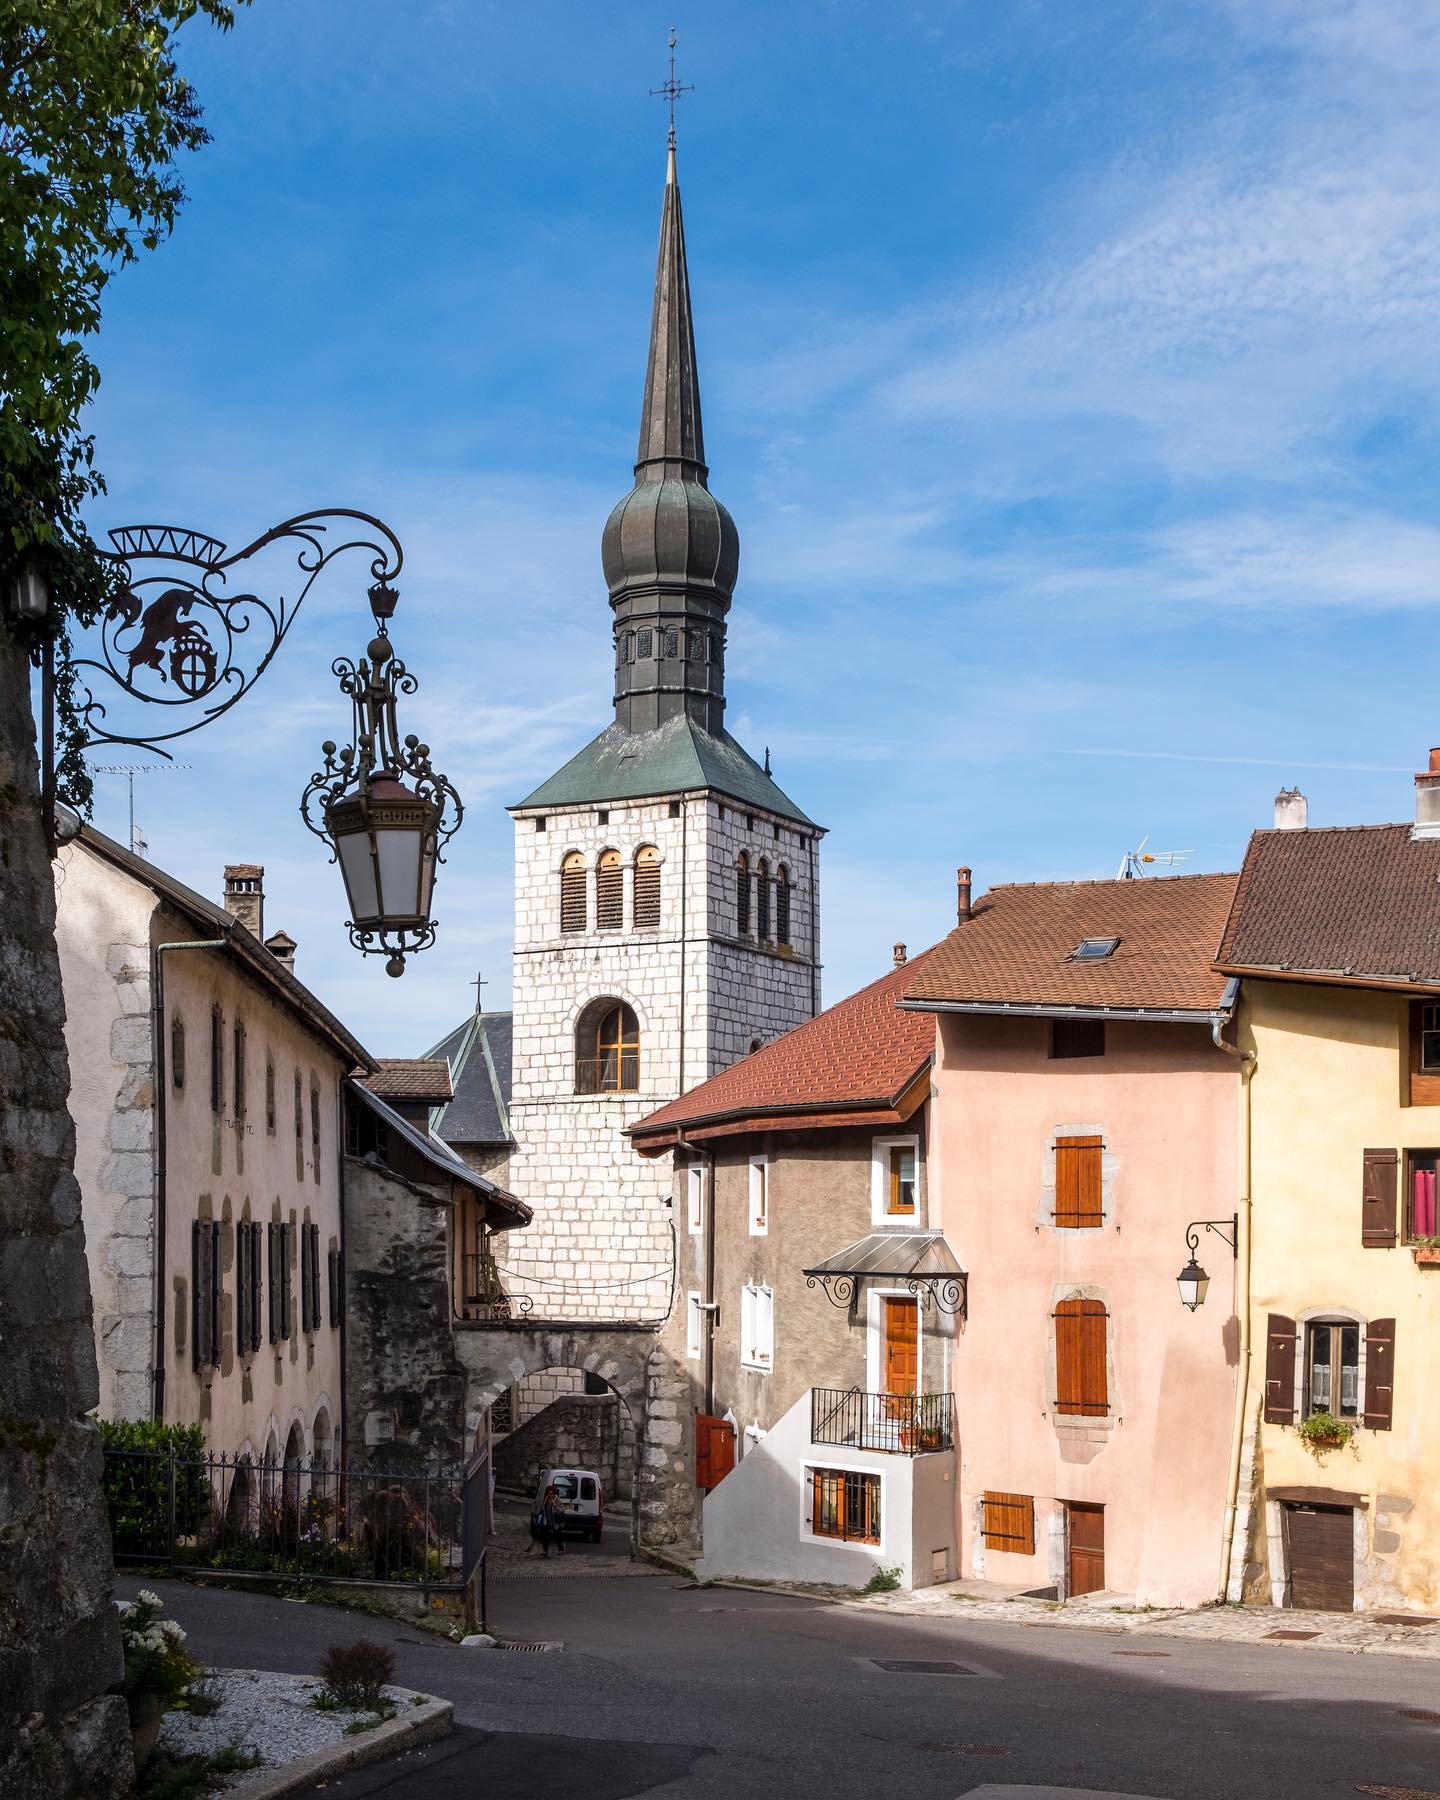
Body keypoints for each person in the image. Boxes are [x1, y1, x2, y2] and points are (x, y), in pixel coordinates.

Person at [525, 1482, 565, 1558]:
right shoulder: (545, 1500)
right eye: (548, 1493)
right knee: (545, 1536)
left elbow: (562, 1509)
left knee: (558, 1535)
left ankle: (561, 1549)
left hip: (554, 1522)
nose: (550, 1495)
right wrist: (536, 1515)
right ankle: (545, 1551)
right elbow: (540, 1508)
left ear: (554, 1493)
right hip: (546, 1521)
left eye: (551, 1493)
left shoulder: (557, 1501)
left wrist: (555, 1507)